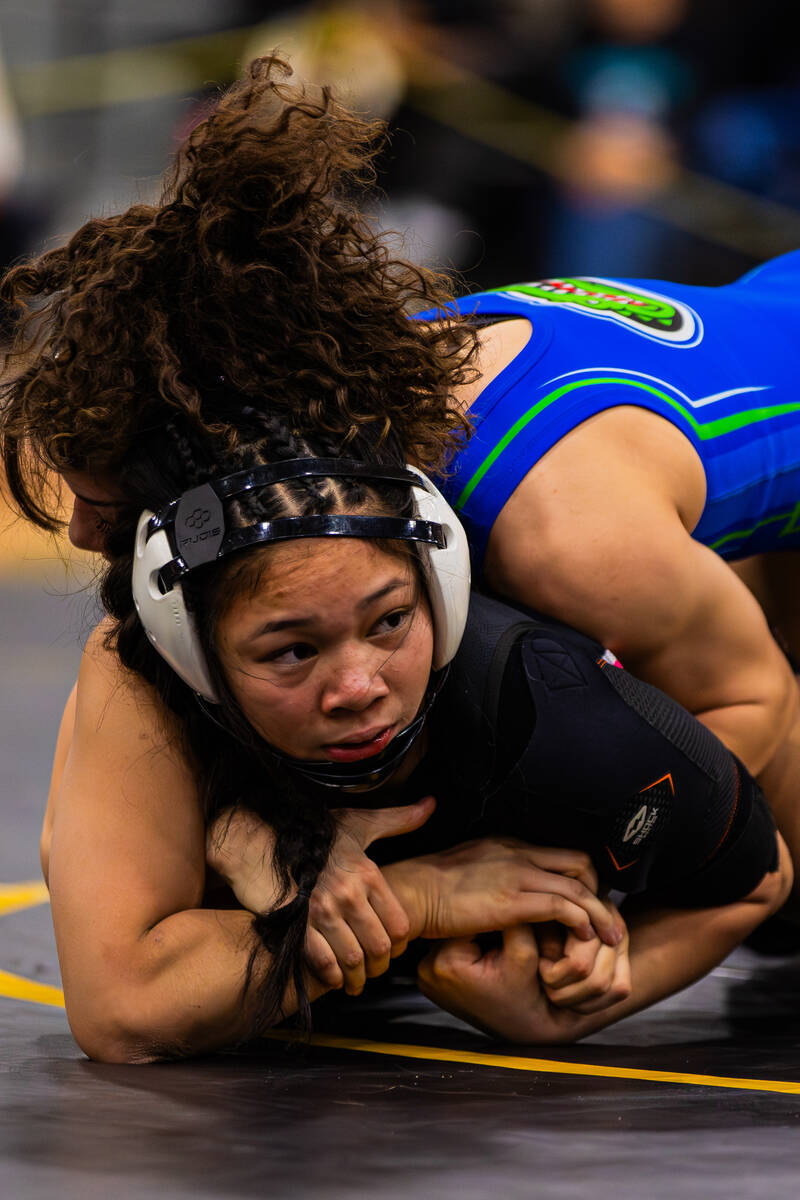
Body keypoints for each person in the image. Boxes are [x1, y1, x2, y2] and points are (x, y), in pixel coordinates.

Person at [35, 405, 790, 1061]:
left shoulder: (556, 698)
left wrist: (575, 998)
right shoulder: (144, 669)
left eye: (391, 621)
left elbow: (759, 860)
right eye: (292, 652)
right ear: (190, 655)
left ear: (442, 589)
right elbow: (121, 1009)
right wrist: (413, 898)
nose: (359, 688)